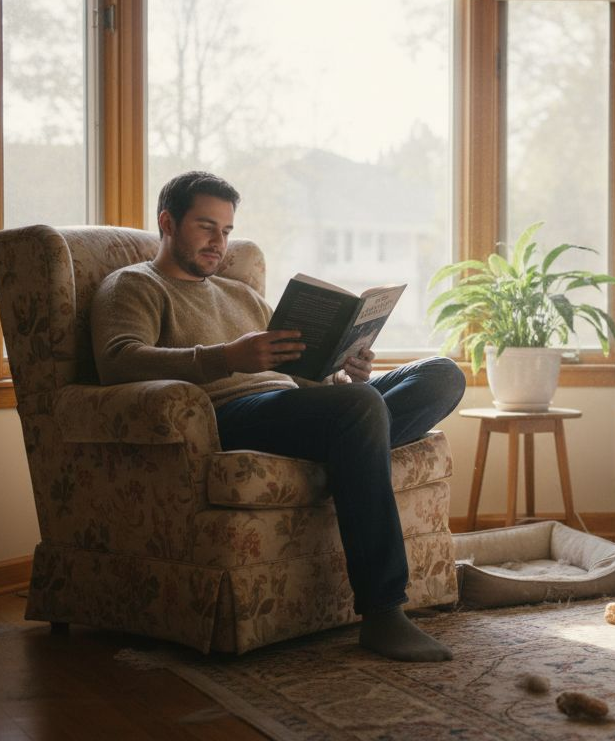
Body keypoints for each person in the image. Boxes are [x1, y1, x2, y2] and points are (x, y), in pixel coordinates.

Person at [91, 170, 466, 661]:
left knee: (442, 374)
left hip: (293, 406)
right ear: (168, 222)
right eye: (206, 227)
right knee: (361, 410)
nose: (218, 242)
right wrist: (227, 357)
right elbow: (118, 360)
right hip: (228, 415)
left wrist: (345, 372)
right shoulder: (134, 285)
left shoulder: (241, 295)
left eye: (226, 230)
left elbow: (298, 375)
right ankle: (382, 612)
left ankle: (355, 445)